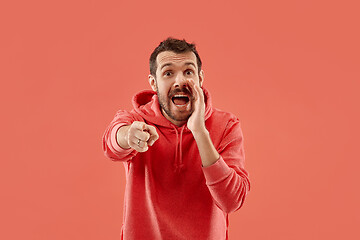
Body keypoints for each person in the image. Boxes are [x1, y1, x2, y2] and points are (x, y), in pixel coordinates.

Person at [102, 37, 251, 240]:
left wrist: (200, 132)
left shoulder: (227, 125)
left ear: (200, 78)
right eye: (168, 73)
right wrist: (128, 135)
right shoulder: (136, 119)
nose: (180, 81)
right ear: (153, 82)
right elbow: (112, 143)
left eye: (188, 72)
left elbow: (232, 201)